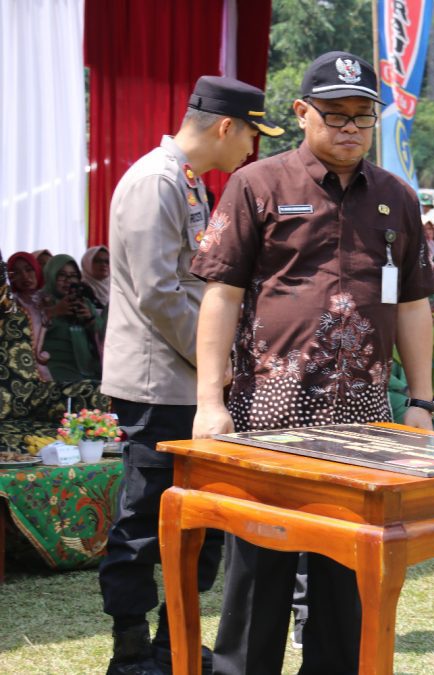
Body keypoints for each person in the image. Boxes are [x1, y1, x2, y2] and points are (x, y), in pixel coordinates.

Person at [189, 52, 434, 674]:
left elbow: (412, 304)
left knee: (347, 568)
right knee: (259, 567)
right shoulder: (257, 185)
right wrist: (209, 403)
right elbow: (220, 296)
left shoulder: (396, 198)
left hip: (363, 417)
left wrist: (422, 403)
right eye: (335, 114)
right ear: (301, 113)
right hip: (271, 409)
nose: (350, 127)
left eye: (363, 116)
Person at [98, 75, 277, 675]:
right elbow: (158, 293)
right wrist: (215, 361)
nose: (252, 150)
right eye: (252, 133)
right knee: (145, 519)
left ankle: (169, 645)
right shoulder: (157, 182)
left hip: (181, 379)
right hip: (159, 381)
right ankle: (130, 651)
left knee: (195, 520)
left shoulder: (185, 181)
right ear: (227, 126)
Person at [41, 254, 105, 383]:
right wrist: (53, 312)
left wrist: (91, 319)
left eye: (73, 275)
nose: (68, 280)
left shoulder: (84, 302)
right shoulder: (40, 301)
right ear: (51, 275)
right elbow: (32, 335)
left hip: (87, 370)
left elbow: (105, 337)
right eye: (62, 275)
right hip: (55, 370)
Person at [6, 252, 51, 380]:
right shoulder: (10, 304)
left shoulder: (50, 299)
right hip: (19, 369)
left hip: (51, 366)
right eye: (16, 273)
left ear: (37, 270)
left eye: (29, 269)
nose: (25, 276)